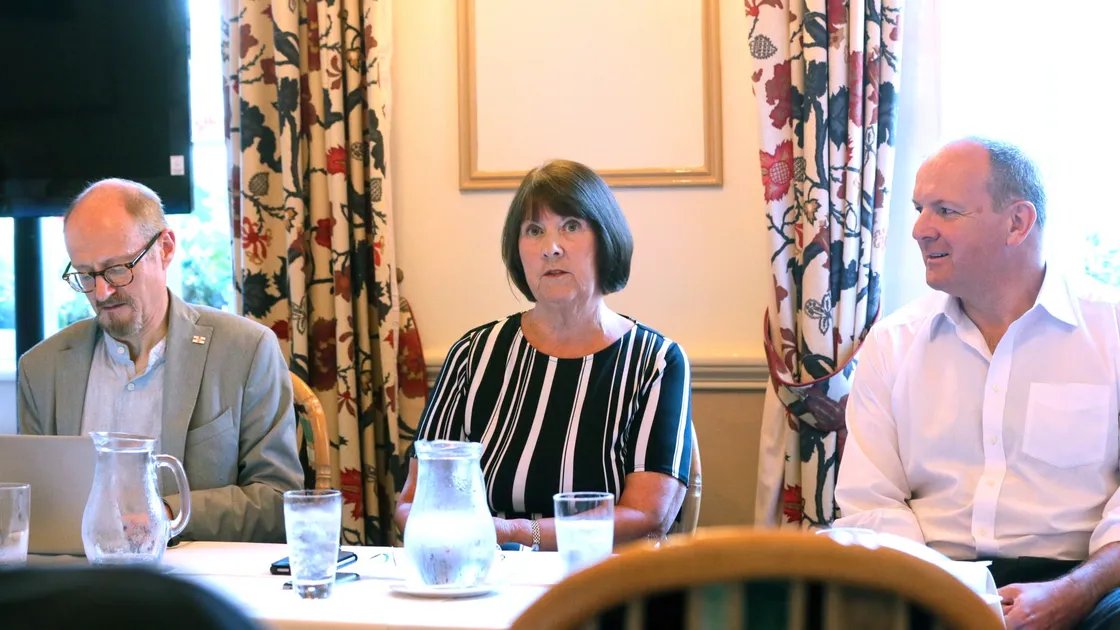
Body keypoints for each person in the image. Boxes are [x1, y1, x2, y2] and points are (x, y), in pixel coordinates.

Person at [834, 138, 1120, 629]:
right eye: (920, 209)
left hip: (1087, 584)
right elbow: (871, 501)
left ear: (1018, 223)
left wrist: (1077, 590)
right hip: (927, 575)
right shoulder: (892, 342)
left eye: (945, 210)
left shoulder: (1110, 331)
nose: (921, 229)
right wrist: (945, 596)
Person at [393, 160, 693, 550]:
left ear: (605, 240)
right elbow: (416, 499)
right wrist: (444, 539)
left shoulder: (656, 361)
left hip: (600, 579)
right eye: (534, 231)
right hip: (484, 574)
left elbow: (648, 513)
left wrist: (519, 535)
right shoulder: (474, 353)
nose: (551, 248)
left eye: (571, 226)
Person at [17, 179, 303, 543]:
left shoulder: (246, 350)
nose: (101, 292)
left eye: (117, 268)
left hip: (198, 586)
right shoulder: (41, 369)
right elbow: (33, 506)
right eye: (85, 275)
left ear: (165, 248)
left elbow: (277, 499)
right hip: (76, 588)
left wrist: (166, 514)